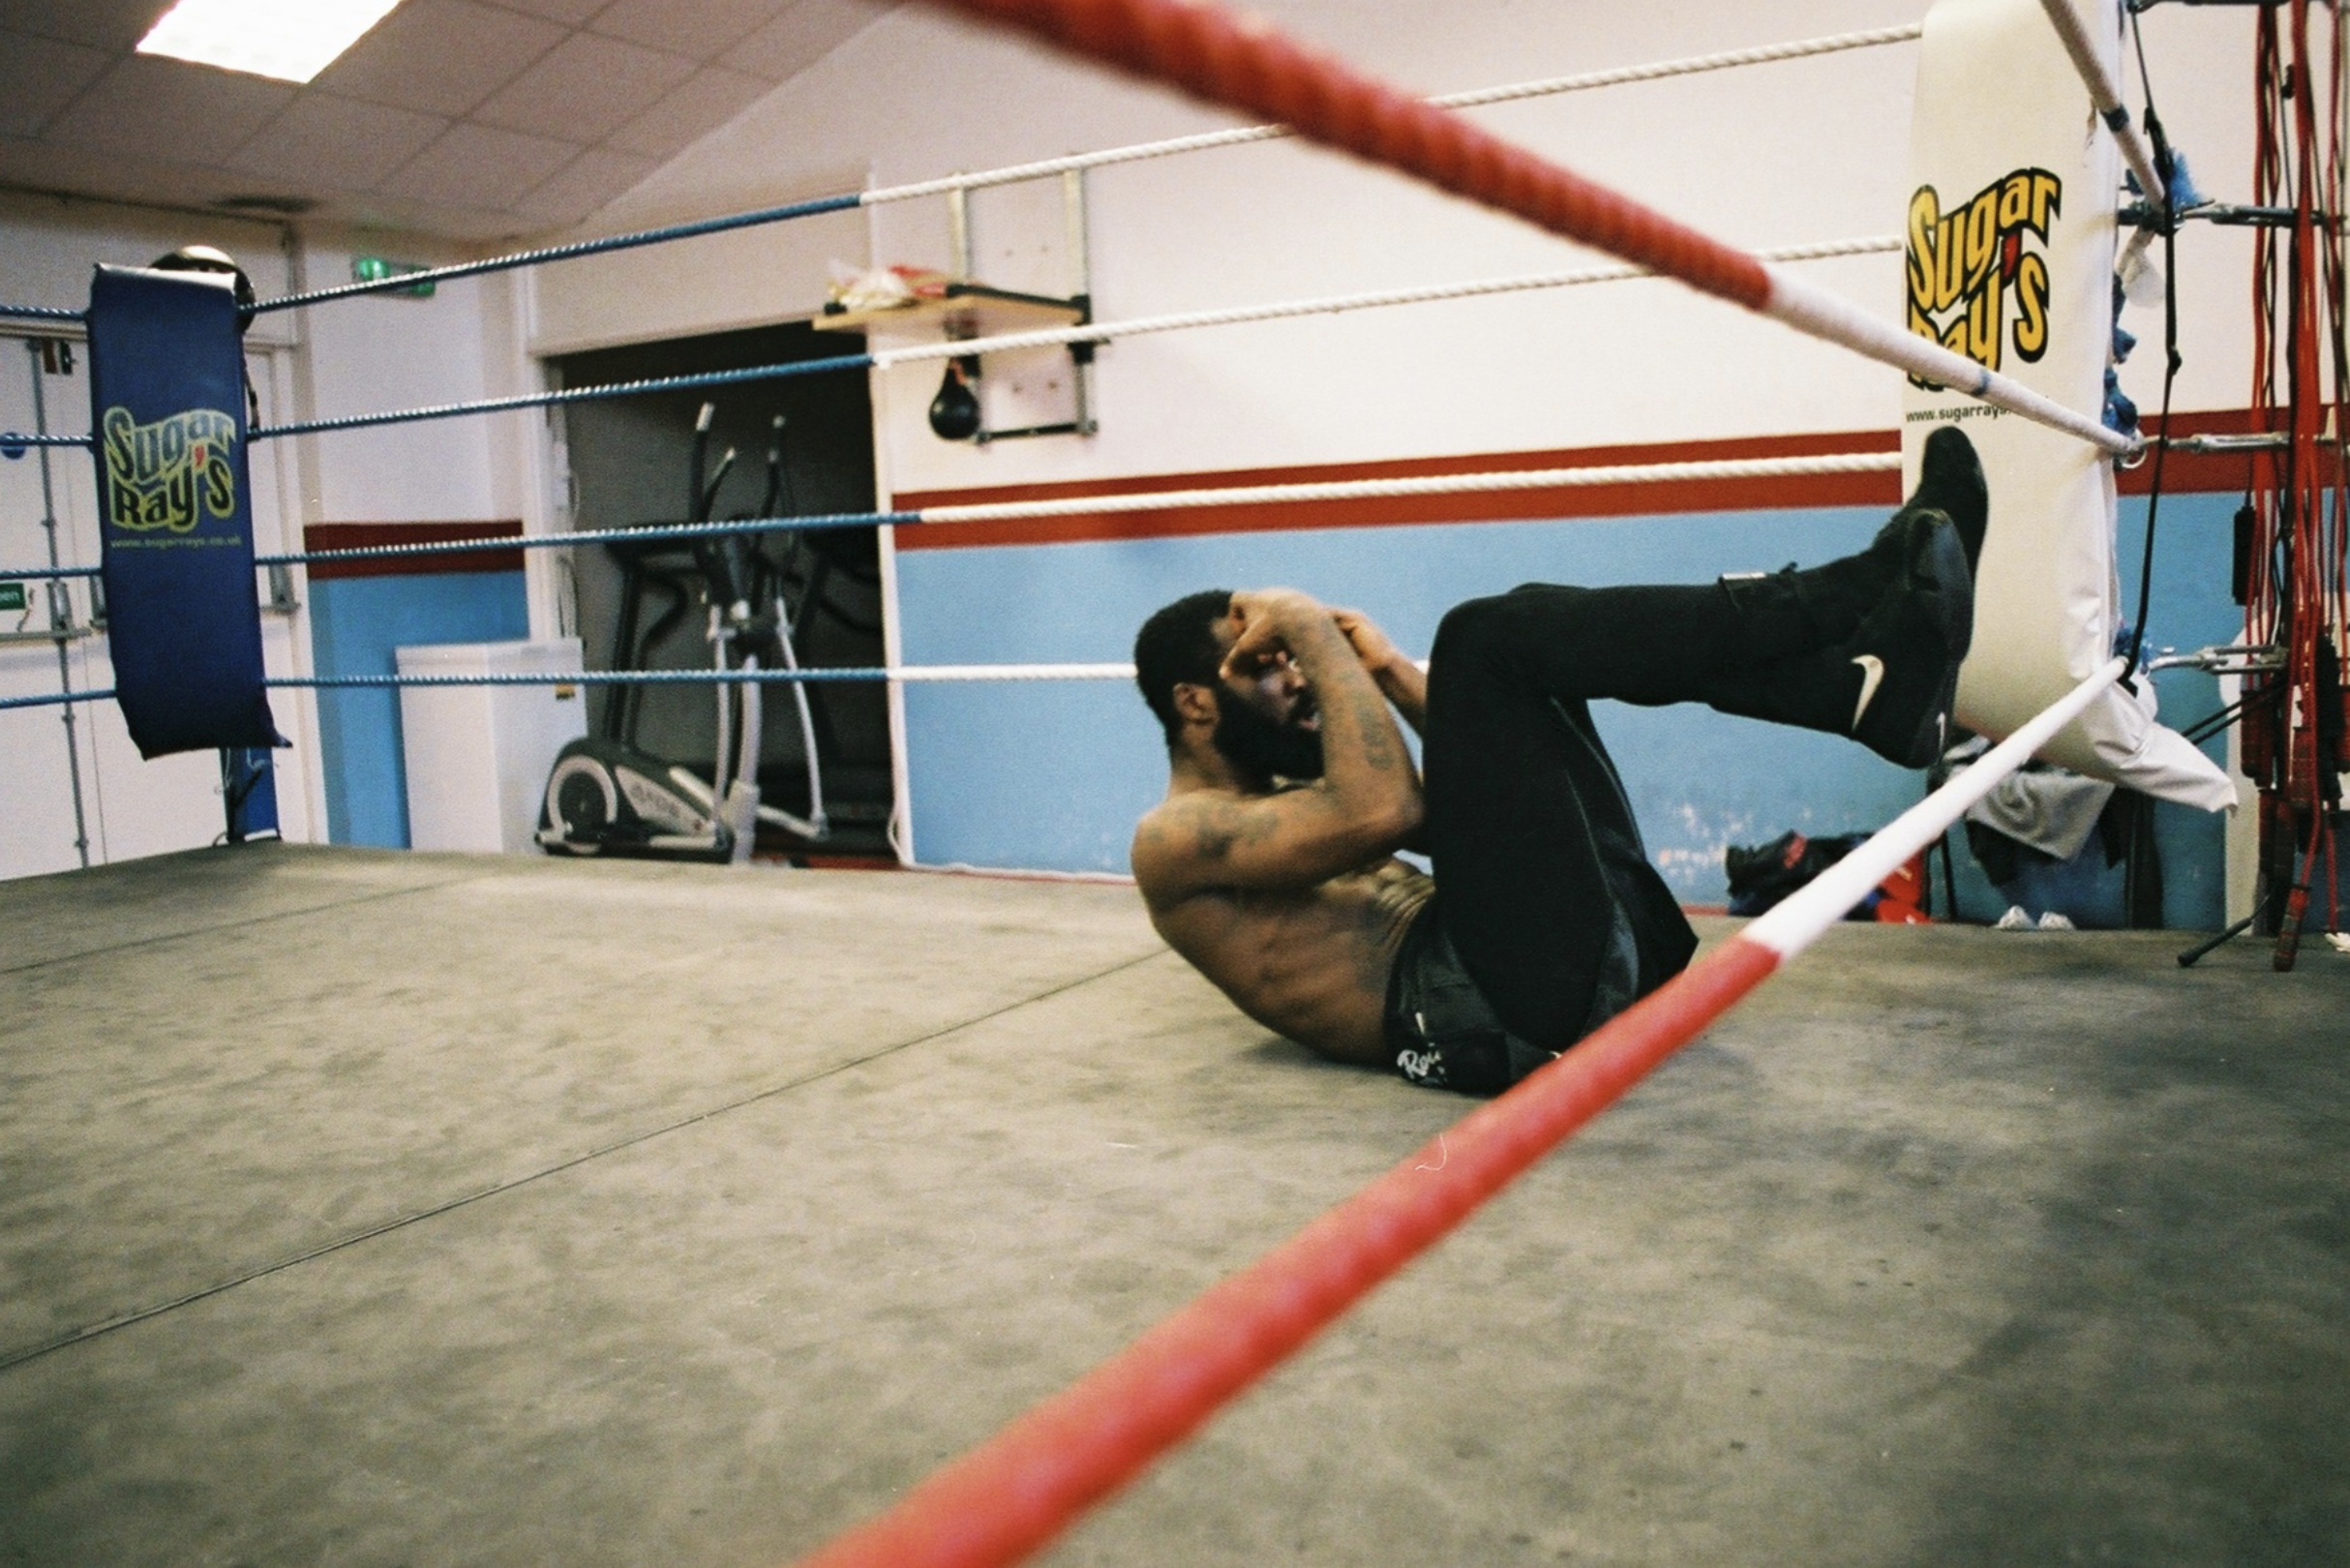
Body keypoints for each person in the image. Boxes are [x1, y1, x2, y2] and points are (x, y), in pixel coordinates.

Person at [1129, 427, 1988, 1096]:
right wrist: (1310, 627)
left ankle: (1855, 689)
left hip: (1585, 957)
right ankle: (1849, 603)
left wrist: (1388, 667)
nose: (1296, 679)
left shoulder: (1291, 803)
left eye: (1285, 658)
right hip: (1503, 1013)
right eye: (1263, 668)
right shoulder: (1174, 841)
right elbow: (1385, 811)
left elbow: (1460, 811)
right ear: (1195, 703)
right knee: (1480, 637)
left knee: (1525, 635)